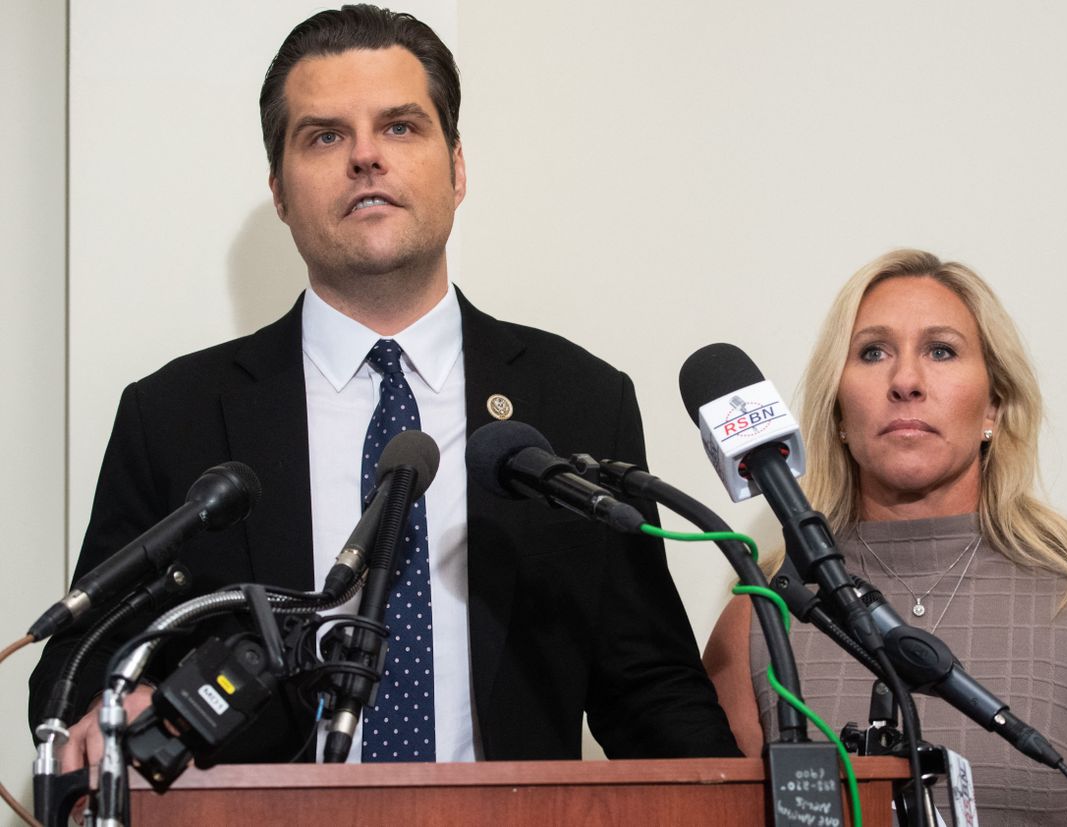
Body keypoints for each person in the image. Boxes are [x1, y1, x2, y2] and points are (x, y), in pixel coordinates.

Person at [30, 4, 738, 768]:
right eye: (325, 136)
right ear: (278, 189)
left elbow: (651, 689)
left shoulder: (578, 403)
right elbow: (75, 674)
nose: (366, 156)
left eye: (400, 126)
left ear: (457, 167)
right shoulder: (175, 417)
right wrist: (111, 713)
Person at [703, 249, 1067, 824]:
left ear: (994, 404)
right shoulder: (759, 620)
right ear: (838, 412)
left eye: (941, 350)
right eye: (873, 352)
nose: (906, 381)